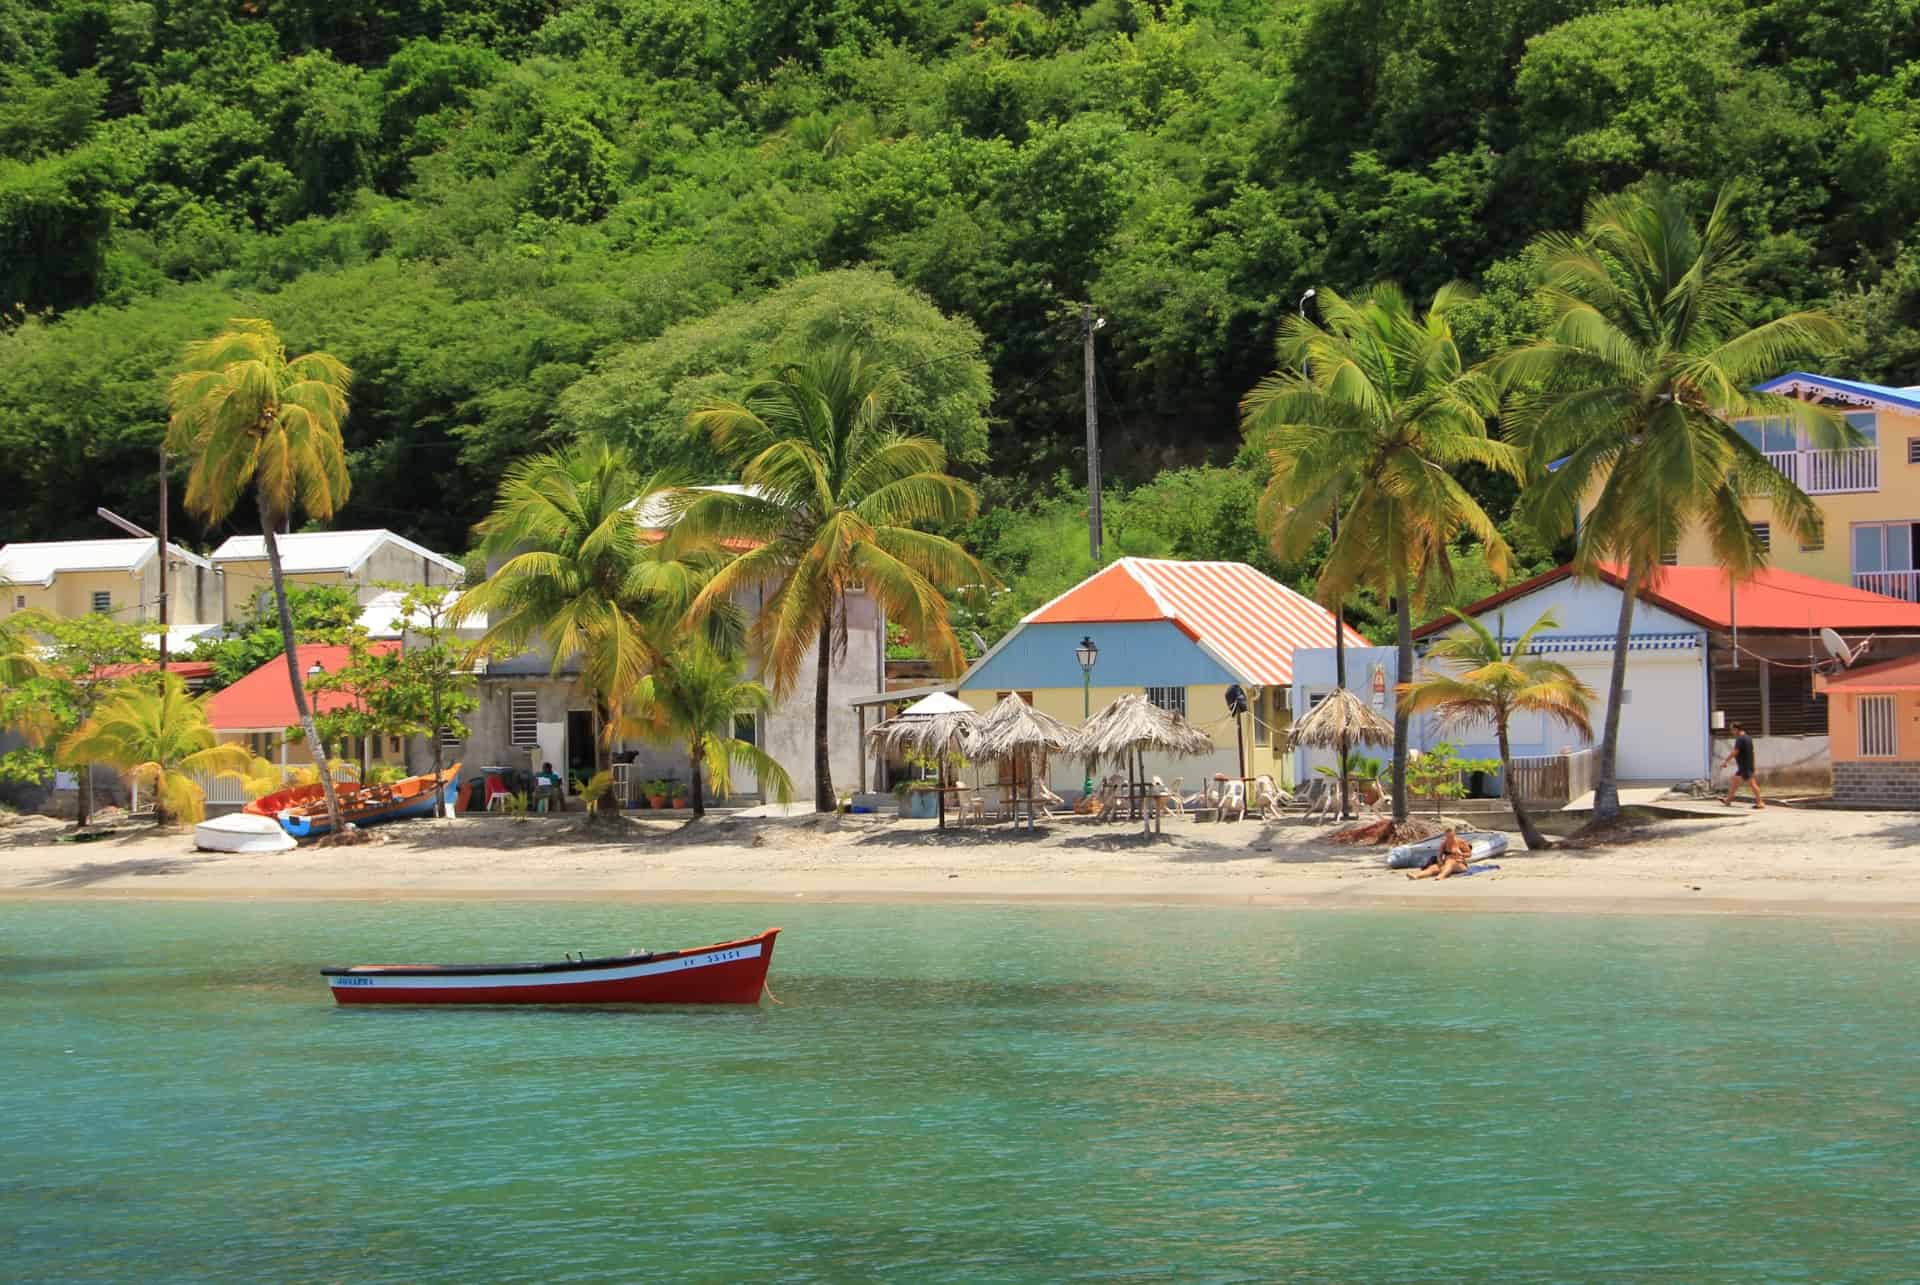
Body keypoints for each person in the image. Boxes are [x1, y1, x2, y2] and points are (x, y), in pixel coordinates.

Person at [1720, 722, 1765, 809]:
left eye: (1732, 730)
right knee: (1735, 781)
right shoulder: (1748, 738)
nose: (1731, 732)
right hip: (1745, 765)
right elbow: (1751, 752)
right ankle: (1728, 800)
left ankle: (1760, 802)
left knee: (1752, 784)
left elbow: (1735, 751)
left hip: (1745, 766)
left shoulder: (1740, 739)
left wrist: (1726, 761)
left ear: (1736, 729)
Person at [1406, 826, 1473, 880]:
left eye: (1451, 836)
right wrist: (1440, 861)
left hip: (1460, 864)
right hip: (1446, 863)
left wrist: (1461, 854)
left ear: (1454, 834)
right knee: (1433, 868)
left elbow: (1469, 854)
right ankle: (1417, 876)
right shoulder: (1444, 843)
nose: (1449, 838)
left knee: (1451, 862)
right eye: (1447, 836)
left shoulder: (1461, 842)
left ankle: (1442, 876)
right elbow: (1439, 855)